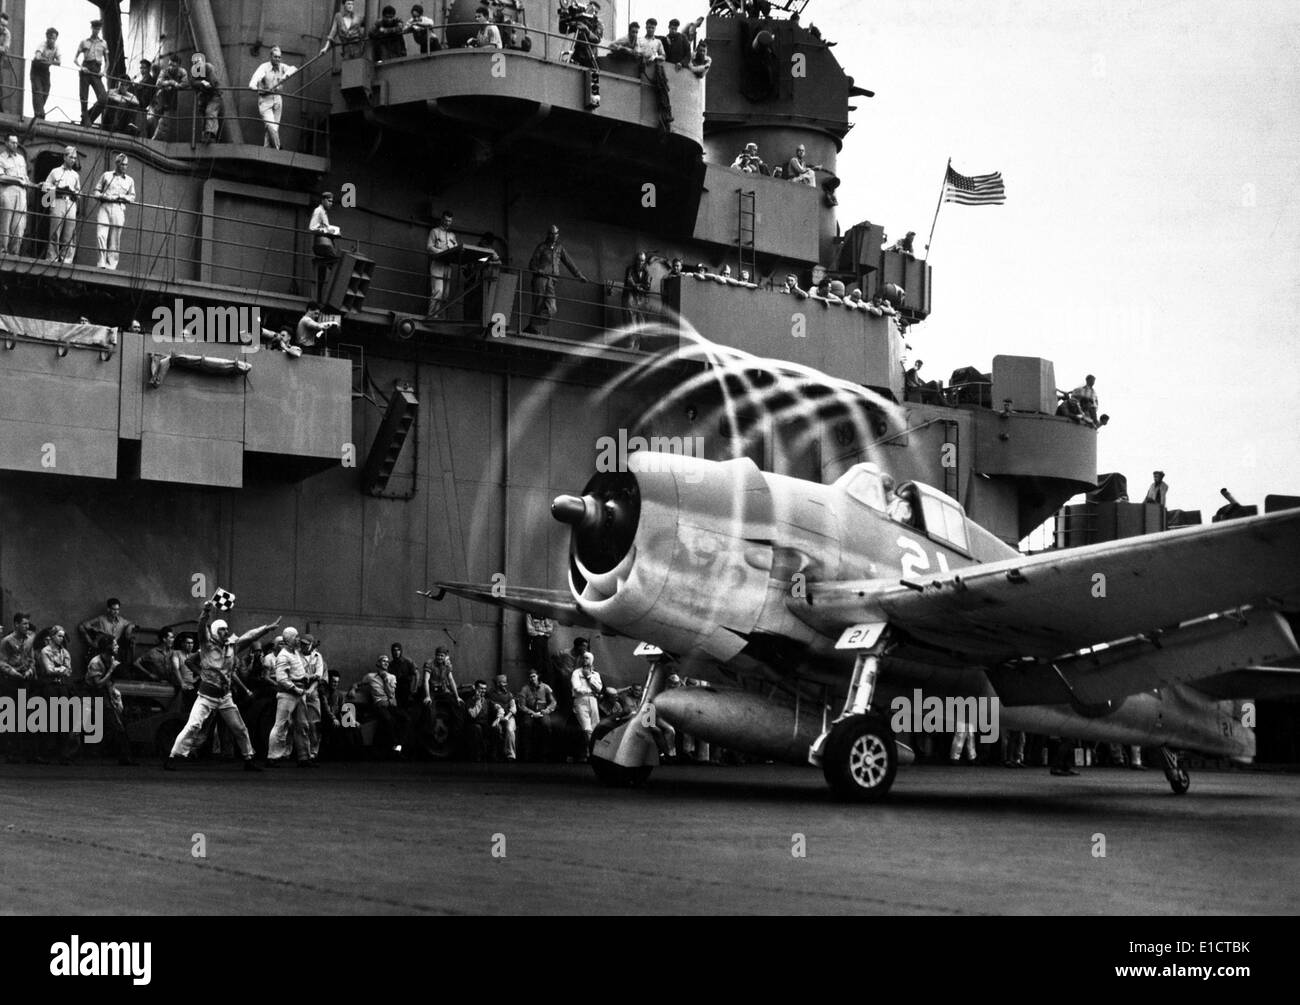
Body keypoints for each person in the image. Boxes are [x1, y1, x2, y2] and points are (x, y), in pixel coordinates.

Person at [165, 600, 279, 771]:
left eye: (226, 629)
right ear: (215, 632)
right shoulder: (206, 645)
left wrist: (265, 629)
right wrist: (206, 611)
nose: (226, 631)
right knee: (193, 725)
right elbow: (201, 626)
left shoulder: (232, 646)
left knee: (239, 728)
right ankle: (173, 756)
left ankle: (248, 759)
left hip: (225, 697)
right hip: (206, 696)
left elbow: (248, 636)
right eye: (222, 629)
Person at [523, 225, 588, 334]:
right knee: (538, 304)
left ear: (558, 235)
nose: (554, 236)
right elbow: (532, 264)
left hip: (552, 281)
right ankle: (534, 328)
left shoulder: (559, 248)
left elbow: (569, 262)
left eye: (556, 234)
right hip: (540, 279)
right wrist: (538, 270)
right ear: (548, 234)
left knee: (552, 309)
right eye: (552, 234)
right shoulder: (542, 247)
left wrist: (579, 275)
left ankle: (532, 325)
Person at [84, 637, 138, 766]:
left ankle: (123, 757)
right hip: (92, 694)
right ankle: (67, 756)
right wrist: (112, 669)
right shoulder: (96, 662)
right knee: (114, 725)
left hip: (104, 693)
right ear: (107, 647)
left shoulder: (111, 659)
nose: (117, 647)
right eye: (114, 645)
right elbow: (98, 684)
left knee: (115, 724)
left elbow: (108, 683)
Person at [268, 626, 312, 765]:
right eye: (296, 637)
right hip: (288, 695)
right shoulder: (283, 656)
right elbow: (281, 679)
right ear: (289, 639)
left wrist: (305, 677)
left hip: (299, 693)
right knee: (281, 725)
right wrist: (294, 688)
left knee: (302, 725)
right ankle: (273, 757)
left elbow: (297, 671)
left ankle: (304, 757)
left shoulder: (296, 653)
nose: (298, 639)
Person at [36, 626, 80, 764]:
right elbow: (49, 670)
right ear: (53, 636)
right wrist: (61, 668)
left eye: (62, 636)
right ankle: (47, 753)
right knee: (51, 718)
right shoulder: (45, 651)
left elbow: (69, 670)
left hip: (62, 686)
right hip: (49, 686)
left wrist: (59, 669)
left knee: (63, 719)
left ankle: (62, 754)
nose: (61, 638)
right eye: (59, 636)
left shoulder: (64, 652)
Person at [0, 613, 36, 763]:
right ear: (16, 625)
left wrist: (29, 671)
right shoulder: (7, 641)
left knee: (25, 716)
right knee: (10, 716)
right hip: (10, 680)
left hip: (24, 679)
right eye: (24, 624)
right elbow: (2, 662)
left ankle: (24, 751)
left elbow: (32, 660)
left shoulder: (29, 641)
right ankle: (10, 752)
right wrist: (13, 673)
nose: (27, 627)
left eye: (28, 624)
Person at [92, 153, 136, 270]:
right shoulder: (106, 175)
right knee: (101, 234)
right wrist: (104, 196)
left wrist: (121, 196)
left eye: (126, 165)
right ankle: (101, 262)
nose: (124, 167)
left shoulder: (129, 180)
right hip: (105, 206)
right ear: (117, 164)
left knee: (115, 238)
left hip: (118, 207)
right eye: (122, 164)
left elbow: (132, 197)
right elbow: (96, 192)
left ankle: (111, 265)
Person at [248, 46, 297, 150]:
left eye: (279, 57)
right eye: (275, 57)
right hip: (265, 100)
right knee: (271, 125)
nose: (278, 59)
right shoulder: (264, 67)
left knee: (272, 128)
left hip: (278, 99)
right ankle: (278, 147)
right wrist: (255, 87)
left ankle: (267, 151)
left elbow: (293, 68)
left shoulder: (282, 66)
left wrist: (285, 76)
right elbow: (254, 81)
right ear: (270, 56)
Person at [43, 146, 81, 265]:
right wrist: (57, 188)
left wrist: (74, 192)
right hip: (57, 200)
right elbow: (45, 187)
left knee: (69, 233)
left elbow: (79, 192)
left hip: (71, 203)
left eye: (75, 158)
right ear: (64, 157)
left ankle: (66, 260)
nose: (73, 160)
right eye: (71, 157)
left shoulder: (75, 175)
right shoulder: (55, 171)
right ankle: (52, 258)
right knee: (55, 231)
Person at [361, 654, 402, 756]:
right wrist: (353, 688)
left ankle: (399, 745)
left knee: (405, 719)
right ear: (378, 663)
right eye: (383, 661)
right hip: (379, 704)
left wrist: (385, 679)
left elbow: (391, 694)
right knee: (388, 719)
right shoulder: (370, 676)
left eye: (387, 661)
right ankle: (396, 747)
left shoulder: (392, 677)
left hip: (390, 704)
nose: (386, 663)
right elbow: (358, 684)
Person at [75, 19, 109, 127]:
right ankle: (85, 117)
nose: (96, 30)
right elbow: (75, 59)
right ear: (92, 28)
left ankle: (89, 116)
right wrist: (81, 67)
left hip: (96, 71)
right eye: (95, 28)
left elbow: (107, 61)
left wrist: (104, 72)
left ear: (100, 29)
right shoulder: (84, 42)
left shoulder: (103, 43)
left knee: (103, 98)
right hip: (86, 69)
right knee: (84, 97)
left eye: (98, 28)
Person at [517, 669, 557, 761]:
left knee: (546, 726)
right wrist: (532, 713)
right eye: (530, 677)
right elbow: (521, 705)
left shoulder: (545, 687)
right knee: (526, 726)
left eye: (534, 676)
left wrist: (547, 710)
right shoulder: (525, 689)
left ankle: (545, 754)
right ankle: (527, 754)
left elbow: (553, 702)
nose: (532, 678)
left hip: (542, 712)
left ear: (538, 676)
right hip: (530, 713)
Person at [569, 651, 603, 757]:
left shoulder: (595, 674)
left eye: (587, 658)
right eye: (583, 658)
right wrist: (591, 690)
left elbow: (599, 688)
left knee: (595, 727)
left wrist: (589, 677)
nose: (585, 660)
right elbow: (577, 688)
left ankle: (593, 752)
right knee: (586, 728)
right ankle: (590, 753)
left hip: (593, 701)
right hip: (580, 701)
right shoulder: (576, 673)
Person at [147, 54, 187, 142]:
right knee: (155, 119)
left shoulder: (182, 72)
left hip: (171, 100)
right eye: (169, 65)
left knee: (164, 122)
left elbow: (185, 84)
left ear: (178, 65)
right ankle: (155, 139)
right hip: (161, 98)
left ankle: (156, 140)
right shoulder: (164, 71)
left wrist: (175, 85)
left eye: (173, 65)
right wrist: (171, 82)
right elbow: (158, 83)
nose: (170, 67)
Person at [309, 192, 340, 304]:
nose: (330, 203)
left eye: (332, 201)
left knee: (324, 271)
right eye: (329, 200)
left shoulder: (324, 212)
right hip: (323, 245)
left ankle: (320, 297)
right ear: (323, 200)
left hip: (325, 245)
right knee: (338, 264)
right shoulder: (318, 211)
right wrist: (327, 230)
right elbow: (312, 228)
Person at [0, 134, 29, 256]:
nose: (15, 145)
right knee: (5, 224)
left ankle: (14, 253)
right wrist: (17, 180)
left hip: (21, 194)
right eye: (12, 142)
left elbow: (25, 176)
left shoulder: (21, 158)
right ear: (6, 143)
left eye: (16, 143)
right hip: (8, 193)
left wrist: (26, 180)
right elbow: (1, 177)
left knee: (19, 226)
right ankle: (3, 251)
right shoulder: (1, 158)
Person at [426, 209, 457, 316]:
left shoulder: (452, 235)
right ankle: (432, 315)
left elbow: (456, 249)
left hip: (448, 266)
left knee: (445, 295)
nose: (447, 223)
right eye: (445, 220)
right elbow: (429, 247)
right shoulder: (434, 231)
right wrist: (442, 252)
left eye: (449, 221)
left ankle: (441, 316)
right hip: (438, 264)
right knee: (438, 291)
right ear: (442, 220)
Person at [189, 53, 223, 142]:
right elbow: (192, 82)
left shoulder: (208, 67)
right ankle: (203, 135)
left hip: (214, 95)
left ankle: (210, 135)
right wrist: (202, 82)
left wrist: (201, 83)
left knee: (210, 111)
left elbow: (212, 83)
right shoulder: (195, 71)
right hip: (204, 96)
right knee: (202, 115)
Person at [30, 28, 61, 120]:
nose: (51, 40)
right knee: (38, 91)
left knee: (46, 91)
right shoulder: (42, 45)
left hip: (45, 71)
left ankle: (39, 111)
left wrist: (47, 61)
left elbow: (59, 62)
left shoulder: (56, 47)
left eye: (53, 39)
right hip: (36, 70)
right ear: (47, 37)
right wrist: (50, 61)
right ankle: (40, 114)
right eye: (50, 38)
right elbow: (37, 57)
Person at [486, 673, 518, 761]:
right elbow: (489, 705)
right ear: (497, 684)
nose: (505, 685)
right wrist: (498, 716)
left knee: (509, 729)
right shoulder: (490, 694)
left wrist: (507, 717)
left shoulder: (509, 694)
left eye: (505, 683)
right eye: (503, 683)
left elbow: (513, 708)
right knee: (496, 729)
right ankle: (496, 754)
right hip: (496, 718)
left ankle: (510, 755)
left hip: (509, 717)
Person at [622, 251, 652, 328]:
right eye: (639, 260)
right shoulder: (630, 269)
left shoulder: (646, 272)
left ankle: (641, 337)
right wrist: (636, 286)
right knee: (631, 316)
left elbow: (648, 285)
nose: (640, 262)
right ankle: (633, 336)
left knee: (642, 317)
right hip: (631, 295)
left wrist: (640, 286)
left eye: (642, 260)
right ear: (636, 260)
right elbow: (629, 280)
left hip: (641, 297)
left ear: (644, 261)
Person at [524, 613, 554, 682]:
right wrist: (543, 631)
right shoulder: (529, 614)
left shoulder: (546, 613)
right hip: (535, 640)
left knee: (547, 665)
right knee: (537, 663)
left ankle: (545, 684)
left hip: (544, 641)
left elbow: (550, 630)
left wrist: (538, 629)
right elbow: (530, 631)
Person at [389, 642, 417, 708]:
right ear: (392, 652)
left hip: (407, 690)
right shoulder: (390, 664)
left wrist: (414, 688)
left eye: (398, 650)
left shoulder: (407, 661)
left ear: (401, 651)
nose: (396, 652)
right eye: (394, 650)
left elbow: (416, 674)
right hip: (396, 691)